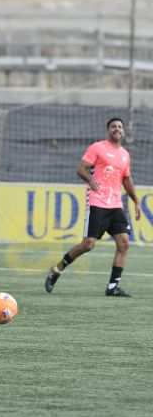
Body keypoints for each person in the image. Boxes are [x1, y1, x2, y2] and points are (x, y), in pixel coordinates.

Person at [45, 117, 140, 297]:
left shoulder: (125, 154)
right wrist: (91, 179)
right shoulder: (97, 147)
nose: (117, 129)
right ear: (108, 130)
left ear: (123, 131)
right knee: (88, 244)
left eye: (120, 127)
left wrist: (135, 200)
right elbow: (81, 168)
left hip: (116, 205)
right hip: (97, 202)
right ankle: (56, 270)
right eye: (113, 126)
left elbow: (126, 179)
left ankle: (113, 287)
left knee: (124, 243)